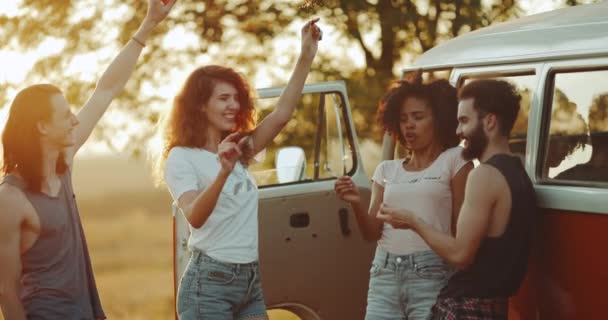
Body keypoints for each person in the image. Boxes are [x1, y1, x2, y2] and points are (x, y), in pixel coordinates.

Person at [0, 1, 177, 319]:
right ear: (41, 126)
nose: (74, 121)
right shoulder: (10, 199)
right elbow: (6, 291)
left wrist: (148, 24)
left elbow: (106, 90)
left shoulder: (62, 164)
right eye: (65, 115)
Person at [159, 19, 322, 320]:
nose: (234, 105)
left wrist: (306, 56)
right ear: (199, 106)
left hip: (249, 281)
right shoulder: (181, 157)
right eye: (224, 98)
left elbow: (282, 115)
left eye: (236, 98)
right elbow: (194, 215)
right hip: (208, 285)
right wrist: (223, 171)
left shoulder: (239, 147)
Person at [378, 79, 537, 320]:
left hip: (466, 307)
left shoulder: (484, 175)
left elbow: (461, 255)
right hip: (495, 307)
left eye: (464, 121)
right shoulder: (518, 173)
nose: (457, 132)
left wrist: (413, 221)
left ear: (490, 122)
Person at [334, 74, 473, 320]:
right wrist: (356, 202)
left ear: (439, 120)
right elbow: (371, 234)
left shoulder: (455, 160)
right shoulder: (387, 169)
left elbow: (459, 235)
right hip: (384, 272)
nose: (409, 125)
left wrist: (415, 223)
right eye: (403, 119)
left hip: (432, 272)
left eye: (418, 117)